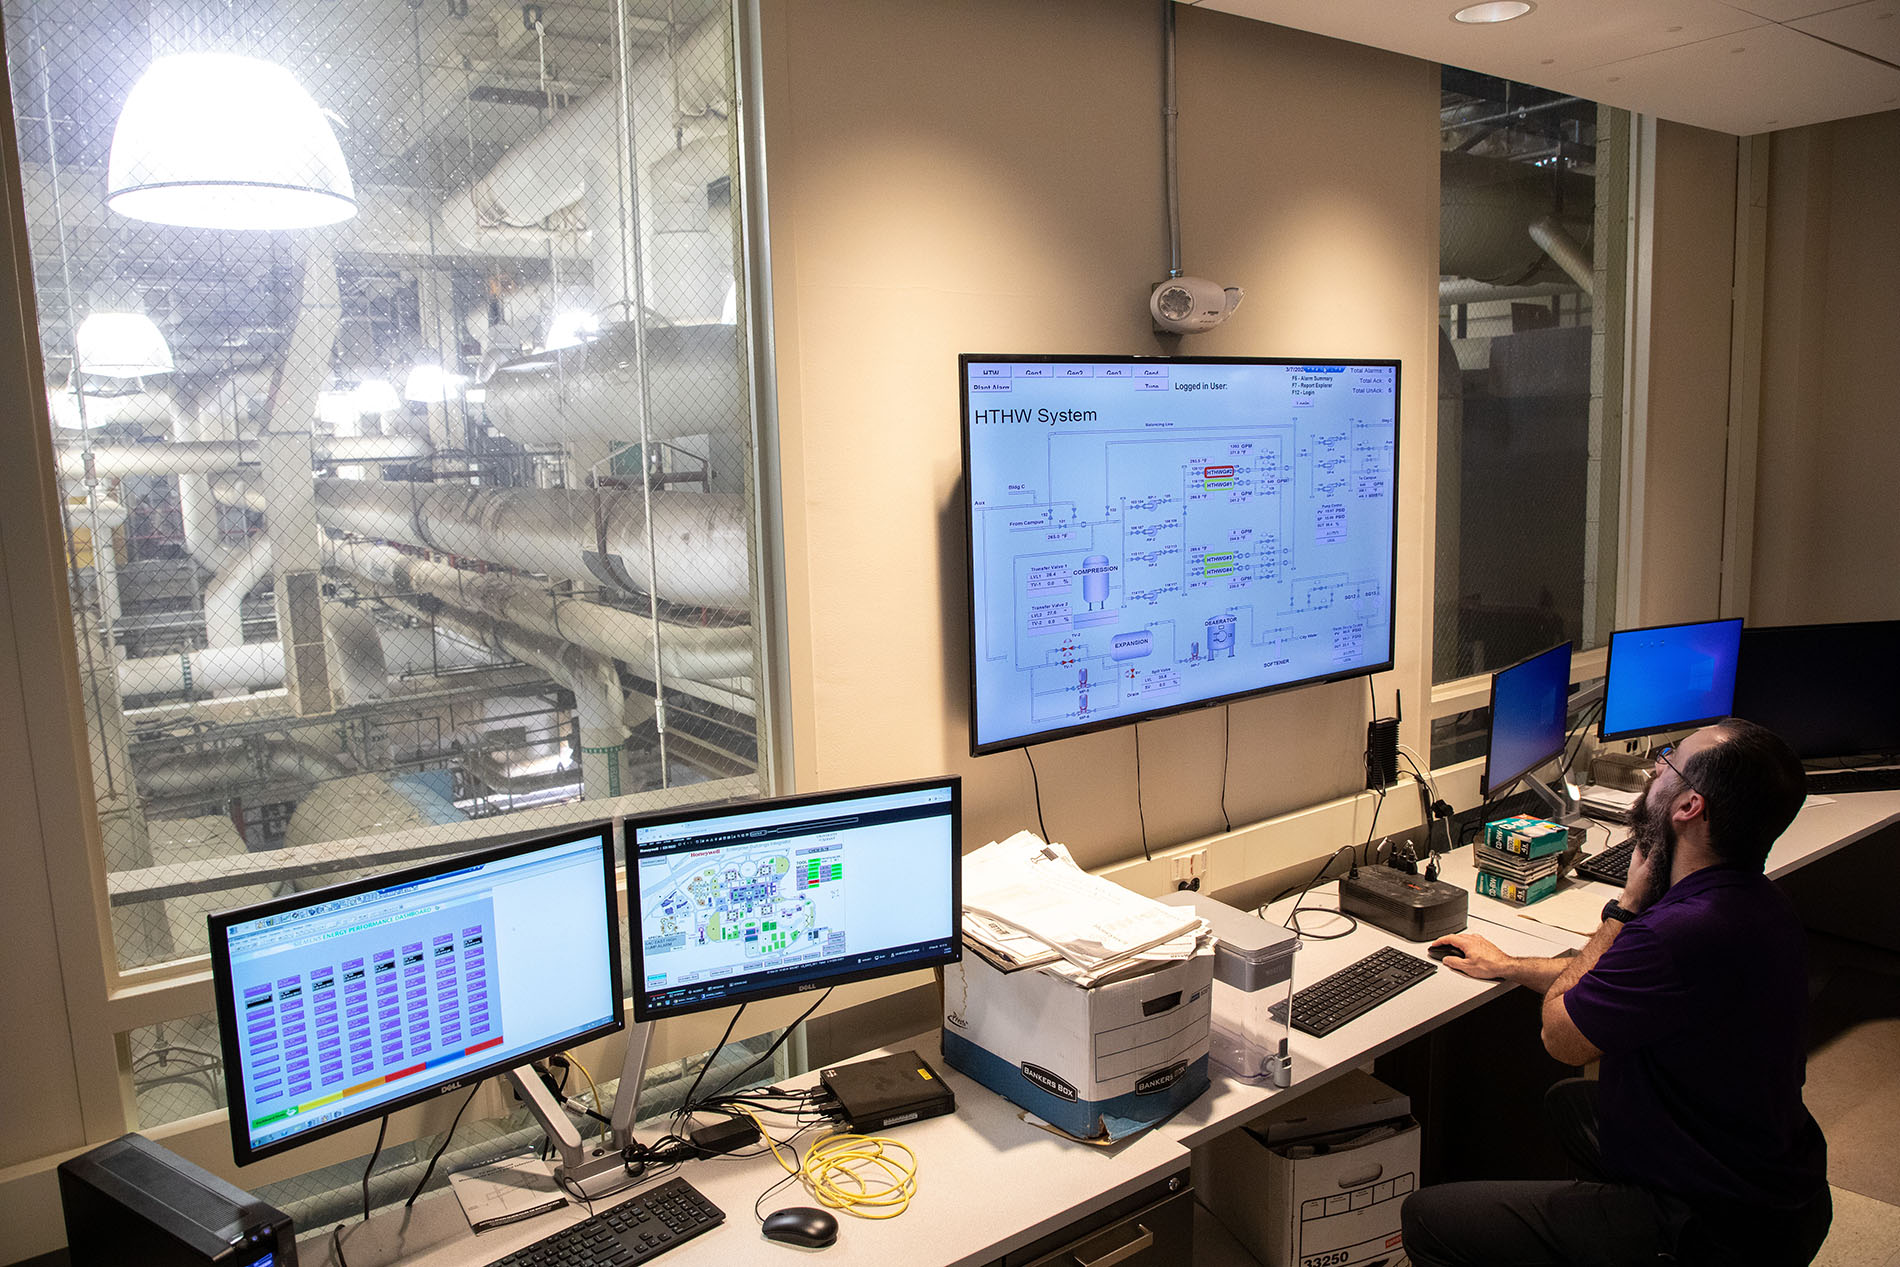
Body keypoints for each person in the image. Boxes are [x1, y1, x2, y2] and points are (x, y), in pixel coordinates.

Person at [1400, 717, 1831, 1267]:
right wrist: (1508, 965)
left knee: (1429, 1218)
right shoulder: (1756, 903)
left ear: (1688, 808)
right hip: (1775, 1184)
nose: (1655, 768)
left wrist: (1623, 908)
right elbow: (1615, 982)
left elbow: (1562, 1037)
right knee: (1569, 1103)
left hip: (1713, 1223)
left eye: (1669, 761)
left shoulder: (1673, 931)